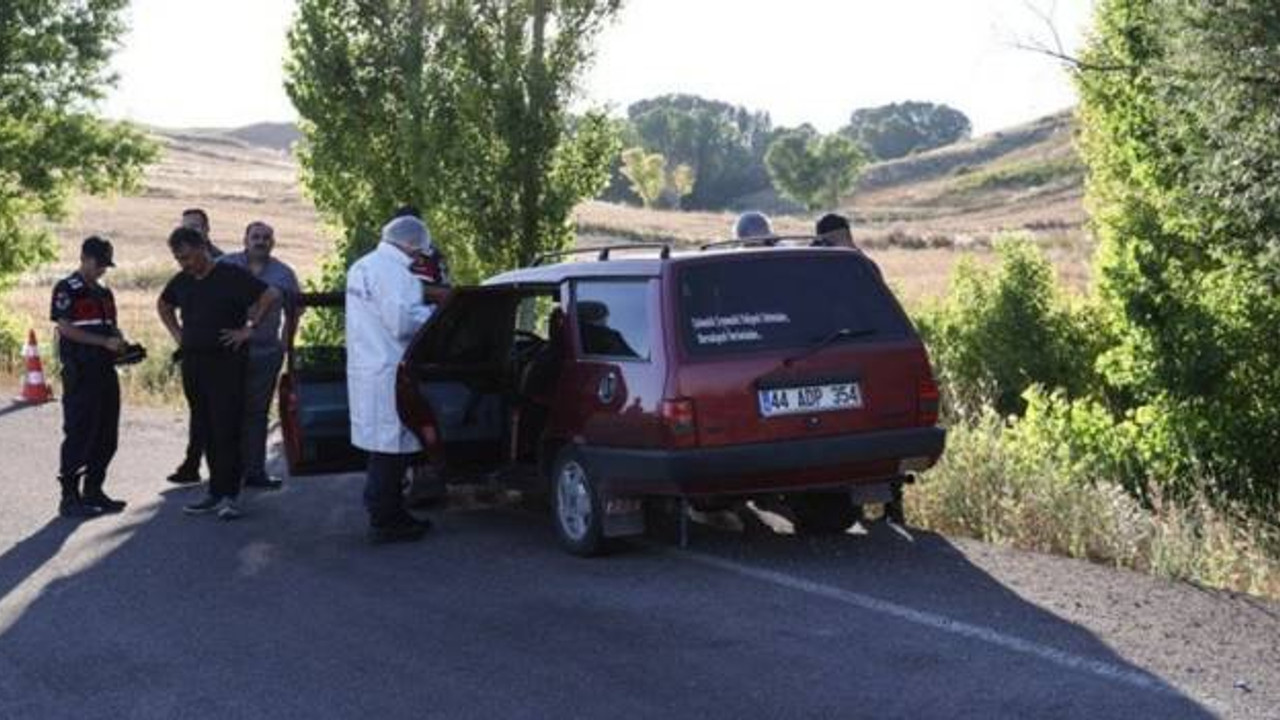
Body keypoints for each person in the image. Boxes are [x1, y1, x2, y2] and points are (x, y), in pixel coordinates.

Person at [157, 227, 280, 520]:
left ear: (202, 248)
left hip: (226, 364)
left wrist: (248, 329)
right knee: (206, 425)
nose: (184, 264)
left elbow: (270, 295)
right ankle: (214, 491)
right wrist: (179, 335)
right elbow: (163, 305)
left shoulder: (230, 275)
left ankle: (231, 495)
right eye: (178, 259)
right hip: (194, 362)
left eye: (187, 257)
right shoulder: (183, 280)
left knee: (227, 427)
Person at [346, 215, 451, 543]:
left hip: (368, 368)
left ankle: (383, 509)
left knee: (380, 447)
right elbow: (402, 322)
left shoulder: (362, 267)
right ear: (410, 244)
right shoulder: (396, 274)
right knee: (391, 448)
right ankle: (387, 517)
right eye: (419, 251)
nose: (420, 257)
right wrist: (436, 315)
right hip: (389, 371)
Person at [50, 237, 130, 518]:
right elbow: (65, 328)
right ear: (84, 258)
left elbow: (111, 328)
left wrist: (120, 343)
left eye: (106, 265)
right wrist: (101, 343)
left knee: (107, 433)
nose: (102, 270)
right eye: (99, 264)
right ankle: (69, 497)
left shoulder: (104, 292)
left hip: (105, 370)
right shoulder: (67, 289)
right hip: (81, 371)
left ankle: (94, 490)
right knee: (80, 432)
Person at [218, 221, 301, 489]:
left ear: (273, 243)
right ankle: (226, 473)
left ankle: (255, 472)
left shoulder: (284, 274)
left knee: (256, 413)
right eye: (256, 236)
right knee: (227, 411)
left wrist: (284, 346)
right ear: (245, 239)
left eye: (266, 237)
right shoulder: (224, 265)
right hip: (227, 352)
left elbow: (295, 312)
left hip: (265, 353)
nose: (261, 241)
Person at [167, 207, 223, 484]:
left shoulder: (224, 263)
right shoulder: (184, 265)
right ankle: (192, 464)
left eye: (196, 227)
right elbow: (166, 303)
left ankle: (225, 474)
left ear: (207, 230)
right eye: (186, 225)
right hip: (194, 350)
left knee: (220, 414)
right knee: (199, 411)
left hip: (223, 354)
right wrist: (180, 337)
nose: (191, 230)